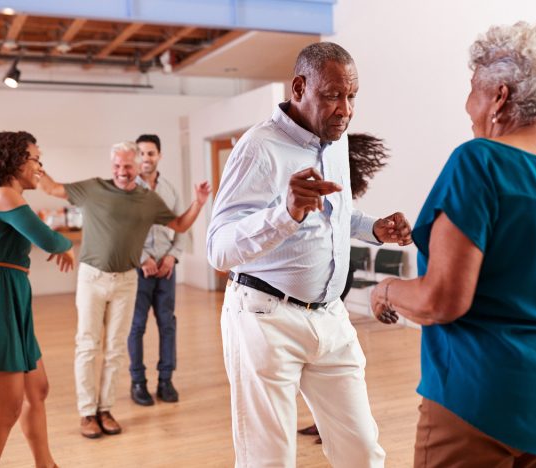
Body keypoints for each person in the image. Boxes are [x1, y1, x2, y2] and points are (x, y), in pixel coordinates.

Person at [370, 22, 536, 467]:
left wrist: (383, 290)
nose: (468, 106)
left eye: (473, 90)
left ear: (499, 96)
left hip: (481, 401)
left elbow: (441, 301)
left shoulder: (479, 164)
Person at [207, 42, 411, 468]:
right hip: (265, 319)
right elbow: (219, 249)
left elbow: (336, 212)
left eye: (352, 96)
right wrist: (285, 212)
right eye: (333, 95)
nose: (346, 109)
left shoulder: (334, 143)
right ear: (299, 87)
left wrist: (372, 228)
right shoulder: (257, 148)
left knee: (363, 452)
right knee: (270, 459)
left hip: (330, 317)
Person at [38, 141, 209, 439]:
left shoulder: (148, 199)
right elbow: (51, 189)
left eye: (127, 166)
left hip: (126, 281)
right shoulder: (92, 189)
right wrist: (33, 165)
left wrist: (199, 202)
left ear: (137, 164)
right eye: (116, 166)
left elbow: (180, 225)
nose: (121, 171)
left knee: (115, 350)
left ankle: (105, 409)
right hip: (92, 278)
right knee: (88, 346)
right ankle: (87, 412)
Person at [0, 131, 75, 468]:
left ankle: (45, 464)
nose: (40, 166)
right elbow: (48, 240)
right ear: (14, 160)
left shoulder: (6, 197)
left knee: (37, 389)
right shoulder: (3, 195)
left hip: (12, 294)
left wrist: (59, 243)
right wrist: (64, 245)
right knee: (7, 408)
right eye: (35, 159)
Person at [298, 132, 391, 443]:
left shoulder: (332, 175)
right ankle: (324, 416)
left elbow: (346, 219)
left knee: (327, 350)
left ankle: (330, 418)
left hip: (336, 277)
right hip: (326, 279)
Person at [128, 134, 211, 406]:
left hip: (165, 270)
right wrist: (142, 258)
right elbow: (122, 231)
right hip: (138, 271)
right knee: (137, 326)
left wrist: (172, 258)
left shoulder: (169, 190)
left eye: (150, 153)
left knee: (167, 325)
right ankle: (138, 382)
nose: (146, 158)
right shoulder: (127, 189)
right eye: (141, 153)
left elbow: (181, 227)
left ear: (159, 156)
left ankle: (166, 380)